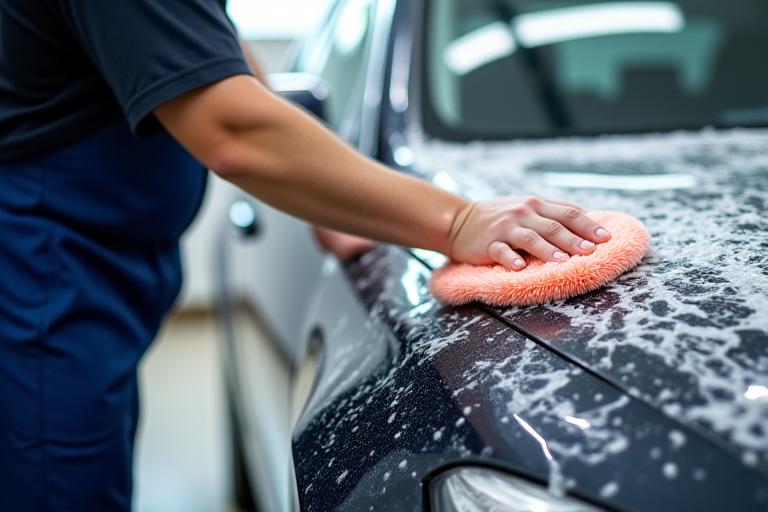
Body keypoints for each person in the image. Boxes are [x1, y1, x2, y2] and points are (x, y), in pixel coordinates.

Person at [0, 1, 611, 510]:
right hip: (42, 273)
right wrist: (459, 218)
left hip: (82, 269)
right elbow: (232, 128)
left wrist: (326, 205)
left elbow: (212, 51)